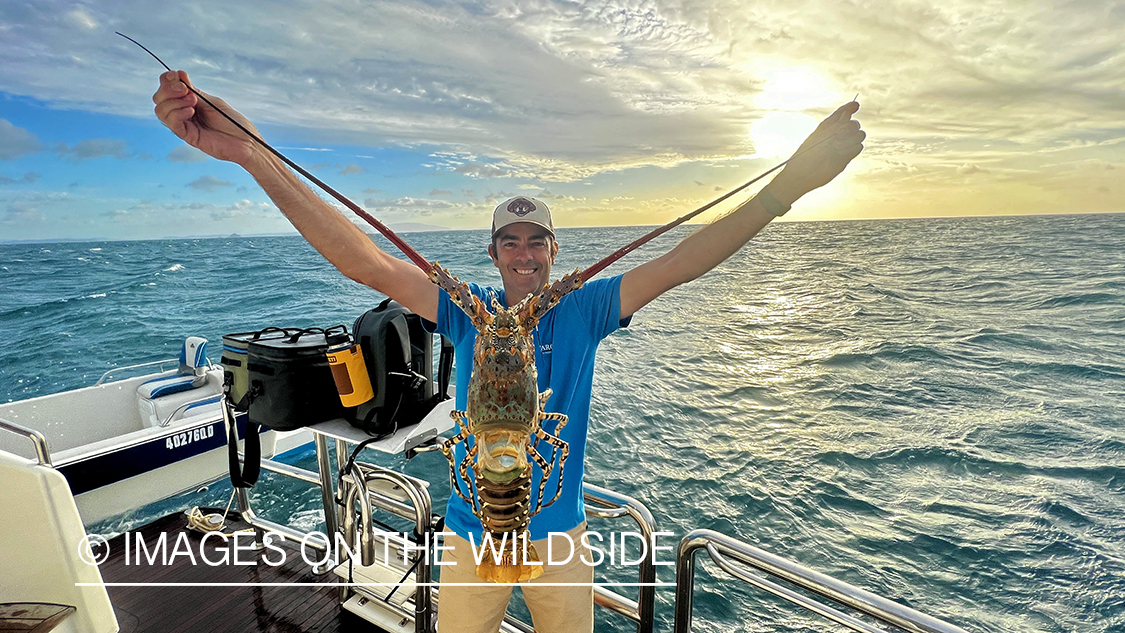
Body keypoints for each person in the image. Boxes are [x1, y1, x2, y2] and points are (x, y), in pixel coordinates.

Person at [153, 70, 864, 633]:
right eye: (509, 243)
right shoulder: (473, 313)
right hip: (467, 537)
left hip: (557, 539)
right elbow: (365, 262)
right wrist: (252, 153)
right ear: (493, 254)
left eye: (536, 242)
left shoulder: (583, 307)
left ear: (554, 251)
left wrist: (787, 187)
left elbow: (681, 261)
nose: (523, 254)